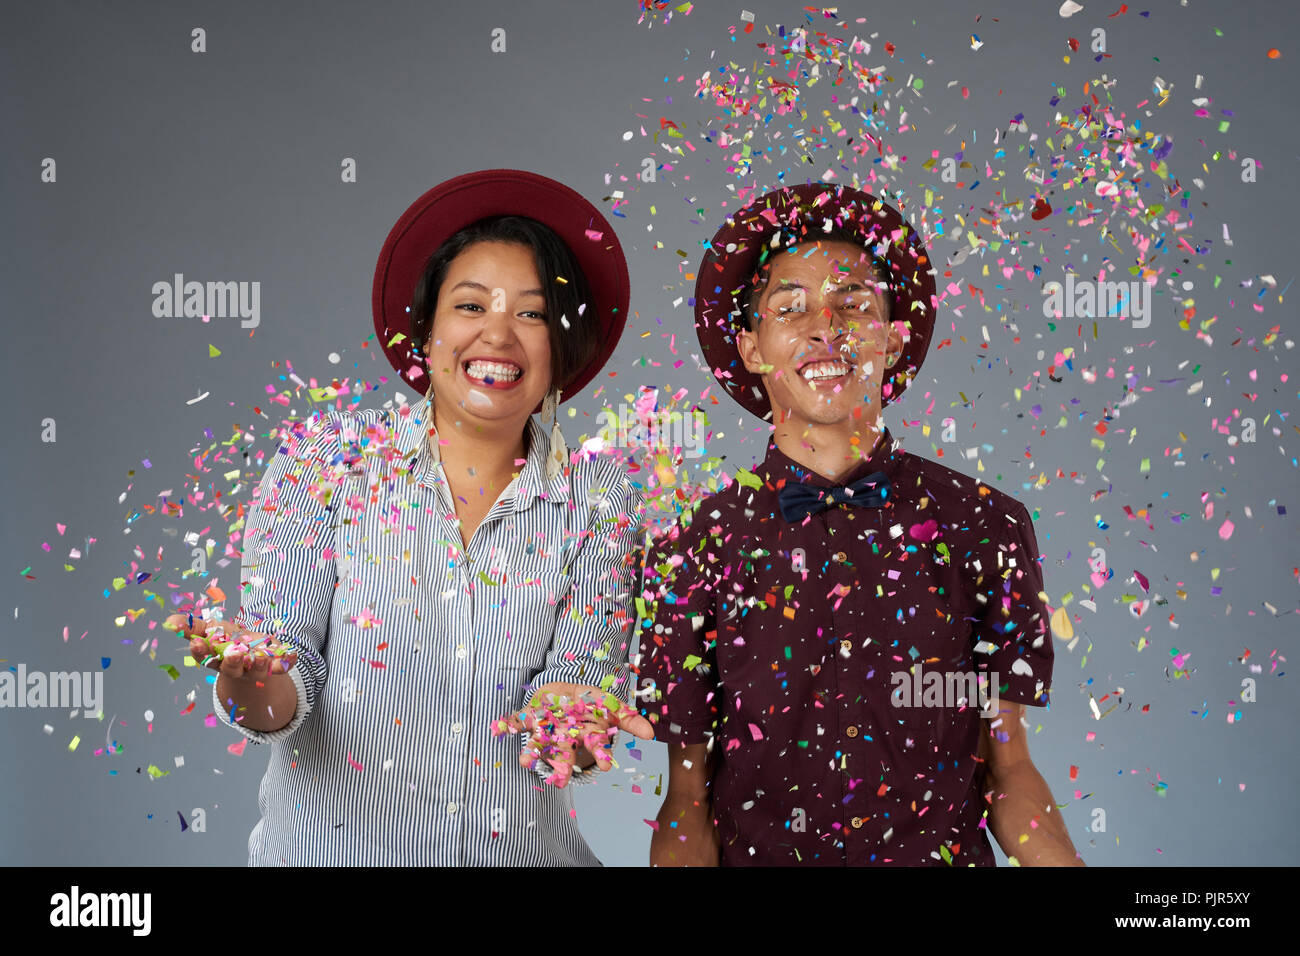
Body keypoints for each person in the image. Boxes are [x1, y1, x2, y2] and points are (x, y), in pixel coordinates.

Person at [165, 169, 652, 865]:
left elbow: (579, 685)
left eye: (533, 313)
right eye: (470, 305)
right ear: (426, 333)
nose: (499, 335)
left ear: (561, 348)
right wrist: (250, 678)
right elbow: (280, 683)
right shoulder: (325, 463)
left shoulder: (600, 497)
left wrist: (570, 719)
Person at [636, 181, 1082, 866]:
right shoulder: (695, 548)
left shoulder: (986, 526)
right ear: (752, 347)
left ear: (894, 338)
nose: (825, 326)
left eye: (853, 303)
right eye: (791, 308)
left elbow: (1009, 770)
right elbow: (687, 802)